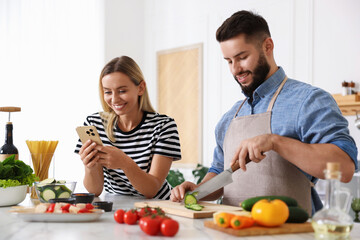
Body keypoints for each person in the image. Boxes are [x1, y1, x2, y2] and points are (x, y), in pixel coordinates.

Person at [170, 10, 358, 215]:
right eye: (229, 61)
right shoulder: (229, 118)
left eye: (242, 57)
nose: (235, 69)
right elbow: (220, 174)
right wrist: (198, 191)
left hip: (292, 233)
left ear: (267, 46)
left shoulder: (308, 100)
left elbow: (345, 167)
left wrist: (276, 142)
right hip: (232, 230)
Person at [75, 56, 181, 199]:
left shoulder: (163, 126)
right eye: (107, 92)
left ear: (141, 88)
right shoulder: (94, 123)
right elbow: (95, 191)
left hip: (158, 205)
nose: (114, 99)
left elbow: (152, 189)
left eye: (122, 91)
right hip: (117, 206)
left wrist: (124, 163)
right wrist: (90, 165)